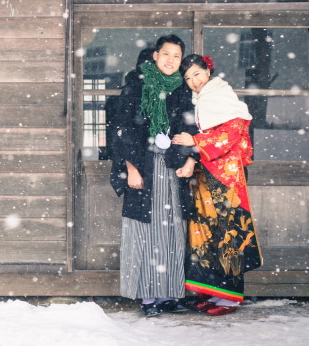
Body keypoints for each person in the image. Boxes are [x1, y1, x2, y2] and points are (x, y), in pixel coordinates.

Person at [110, 35, 199, 317]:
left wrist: (192, 159)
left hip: (174, 166)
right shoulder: (136, 87)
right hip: (144, 167)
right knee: (145, 232)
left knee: (173, 230)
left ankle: (170, 294)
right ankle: (148, 297)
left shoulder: (183, 90)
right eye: (166, 54)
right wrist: (130, 168)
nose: (171, 60)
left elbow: (194, 128)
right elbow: (120, 129)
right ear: (156, 56)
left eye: (176, 56)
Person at [172, 54, 263, 316]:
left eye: (197, 74)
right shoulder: (199, 99)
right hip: (205, 175)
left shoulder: (221, 94)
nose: (193, 81)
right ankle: (210, 292)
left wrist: (196, 141)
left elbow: (231, 133)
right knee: (204, 232)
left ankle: (230, 298)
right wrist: (194, 150)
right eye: (188, 78)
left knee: (228, 231)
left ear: (208, 72)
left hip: (226, 177)